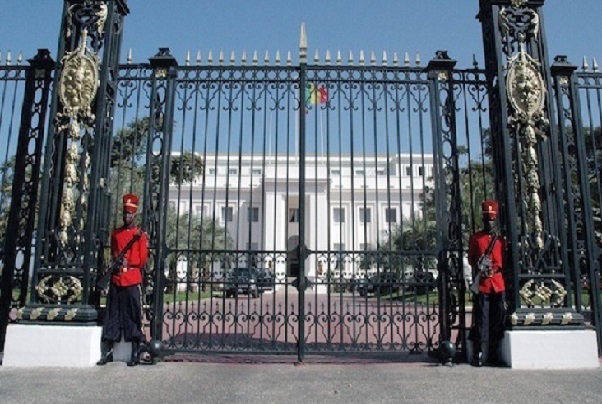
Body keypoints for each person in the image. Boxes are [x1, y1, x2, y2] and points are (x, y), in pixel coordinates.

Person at [97, 193, 149, 367]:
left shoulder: (140, 235)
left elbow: (142, 259)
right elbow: (113, 251)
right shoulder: (116, 234)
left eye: (130, 214)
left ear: (135, 215)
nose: (127, 217)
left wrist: (130, 262)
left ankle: (135, 351)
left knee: (134, 315)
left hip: (132, 278)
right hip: (117, 278)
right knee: (113, 314)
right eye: (125, 213)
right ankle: (108, 351)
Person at [468, 200, 506, 367]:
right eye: (486, 219)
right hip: (484, 283)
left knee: (498, 318)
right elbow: (471, 258)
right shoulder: (476, 238)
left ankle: (495, 351)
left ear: (495, 219)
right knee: (482, 319)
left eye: (491, 219)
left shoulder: (501, 240)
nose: (489, 222)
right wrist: (478, 263)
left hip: (498, 282)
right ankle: (479, 352)